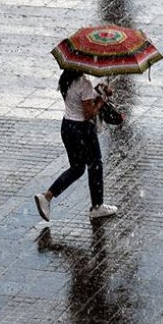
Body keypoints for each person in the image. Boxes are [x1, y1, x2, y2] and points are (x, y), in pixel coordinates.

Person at [35, 70, 118, 221]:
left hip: (67, 126)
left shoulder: (66, 78)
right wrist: (101, 99)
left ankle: (46, 197)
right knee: (95, 164)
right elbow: (88, 113)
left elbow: (77, 98)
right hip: (82, 130)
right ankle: (97, 206)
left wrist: (100, 90)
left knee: (77, 168)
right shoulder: (83, 83)